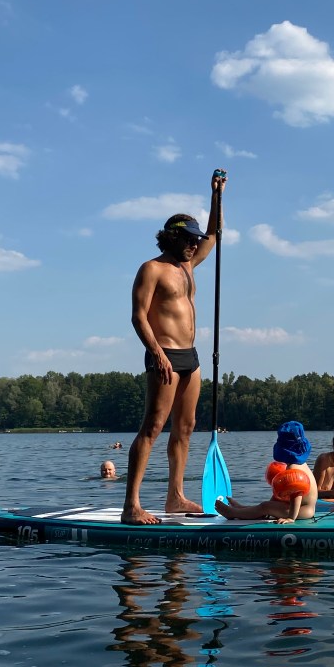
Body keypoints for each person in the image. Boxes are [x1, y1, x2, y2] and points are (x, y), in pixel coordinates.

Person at [120, 169, 227, 525]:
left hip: (191, 358)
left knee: (186, 427)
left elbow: (214, 233)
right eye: (189, 240)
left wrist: (216, 195)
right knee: (153, 427)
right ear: (171, 237)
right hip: (164, 355)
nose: (195, 245)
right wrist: (157, 353)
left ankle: (175, 497)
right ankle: (131, 505)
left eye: (195, 241)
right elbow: (138, 316)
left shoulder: (188, 265)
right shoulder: (151, 269)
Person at [216, 421, 317, 524]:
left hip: (303, 511)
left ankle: (234, 513)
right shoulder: (300, 464)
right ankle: (242, 509)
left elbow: (297, 494)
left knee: (265, 506)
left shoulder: (294, 468)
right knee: (267, 505)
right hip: (303, 508)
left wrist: (291, 517)